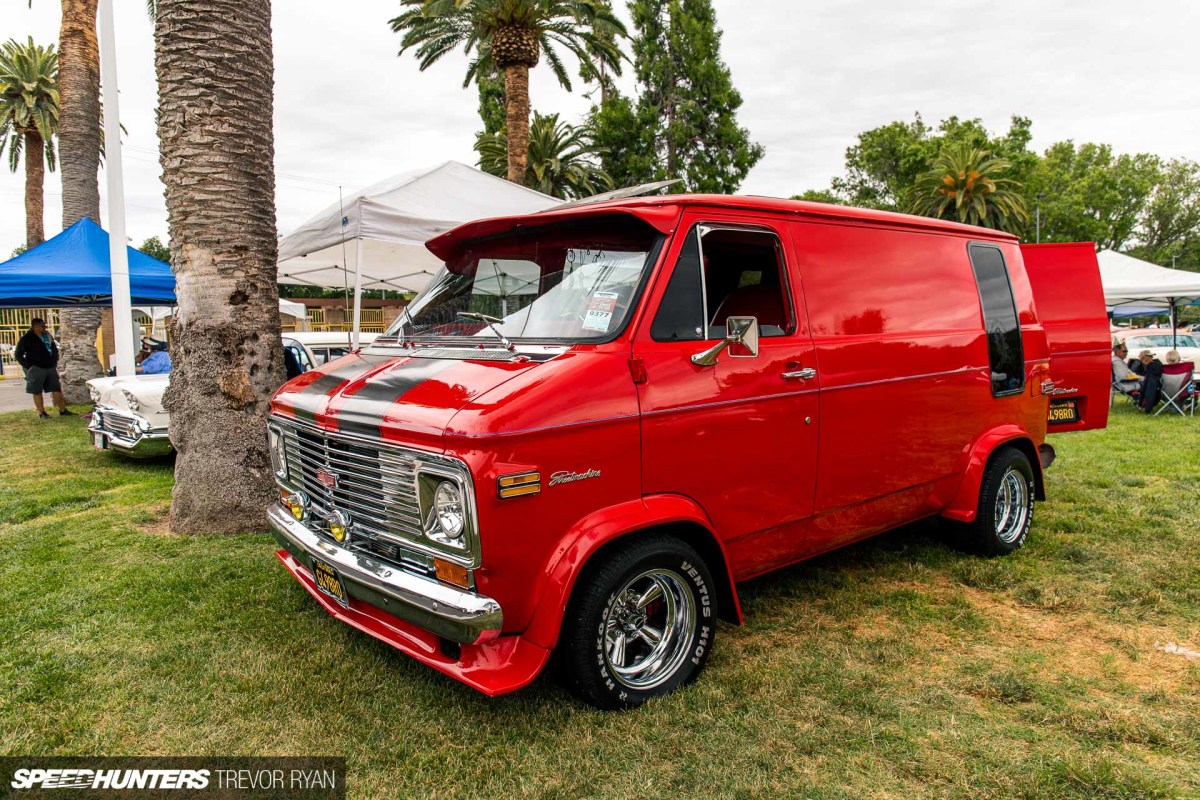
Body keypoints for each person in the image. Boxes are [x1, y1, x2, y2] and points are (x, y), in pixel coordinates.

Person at [14, 318, 74, 419]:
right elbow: (18, 354)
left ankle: (62, 410)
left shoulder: (47, 335)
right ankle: (42, 413)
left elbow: (53, 348)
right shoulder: (27, 338)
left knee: (56, 388)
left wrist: (55, 360)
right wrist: (28, 366)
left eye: (44, 326)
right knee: (37, 391)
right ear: (35, 326)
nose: (44, 328)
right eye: (42, 326)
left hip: (50, 366)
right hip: (36, 367)